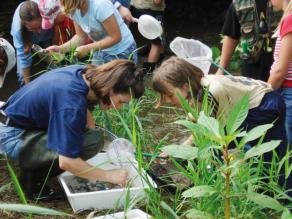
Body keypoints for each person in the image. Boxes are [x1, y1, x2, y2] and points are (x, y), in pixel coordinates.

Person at [0, 59, 144, 199]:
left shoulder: (83, 74)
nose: (119, 107)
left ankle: (36, 163)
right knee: (90, 142)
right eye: (120, 101)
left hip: (14, 121)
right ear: (110, 87)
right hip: (12, 136)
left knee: (90, 136)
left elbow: (81, 108)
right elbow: (66, 161)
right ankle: (33, 180)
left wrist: (90, 129)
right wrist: (109, 175)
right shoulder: (70, 102)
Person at [153, 56, 287, 161]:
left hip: (264, 104)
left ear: (185, 86)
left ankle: (283, 192)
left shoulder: (213, 91)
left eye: (170, 95)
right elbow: (200, 129)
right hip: (249, 106)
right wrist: (179, 149)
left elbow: (222, 135)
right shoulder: (195, 93)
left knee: (272, 157)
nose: (168, 101)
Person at [46, 0, 137, 65]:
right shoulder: (72, 8)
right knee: (98, 83)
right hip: (99, 49)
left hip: (121, 51)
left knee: (119, 87)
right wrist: (60, 49)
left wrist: (88, 48)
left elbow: (116, 37)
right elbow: (80, 36)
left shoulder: (100, 5)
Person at [216, 0, 282, 81]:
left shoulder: (286, 2)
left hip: (283, 71)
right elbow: (231, 35)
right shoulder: (239, 3)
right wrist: (221, 69)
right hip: (252, 72)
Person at [11, 1, 53, 86]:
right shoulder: (18, 30)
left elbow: (59, 23)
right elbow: (24, 58)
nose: (39, 31)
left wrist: (55, 39)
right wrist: (27, 86)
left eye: (40, 26)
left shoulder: (48, 9)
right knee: (22, 76)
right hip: (26, 37)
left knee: (54, 65)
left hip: (47, 34)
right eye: (33, 28)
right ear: (25, 25)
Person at [268, 0, 292, 145]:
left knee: (287, 147)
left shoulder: (290, 21)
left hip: (289, 93)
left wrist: (263, 93)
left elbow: (280, 70)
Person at [130, 0, 166, 74]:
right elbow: (157, 2)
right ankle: (148, 71)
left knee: (159, 36)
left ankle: (160, 58)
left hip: (137, 7)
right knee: (157, 42)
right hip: (152, 10)